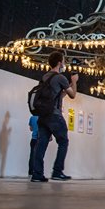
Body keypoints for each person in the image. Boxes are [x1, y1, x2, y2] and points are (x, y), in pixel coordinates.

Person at [31, 51, 77, 182]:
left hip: (43, 115)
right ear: (59, 62)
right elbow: (73, 95)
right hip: (54, 115)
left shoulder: (45, 77)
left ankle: (37, 174)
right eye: (63, 61)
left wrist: (63, 93)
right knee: (63, 141)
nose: (64, 63)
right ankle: (57, 171)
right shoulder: (60, 77)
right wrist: (74, 81)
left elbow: (56, 95)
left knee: (41, 144)